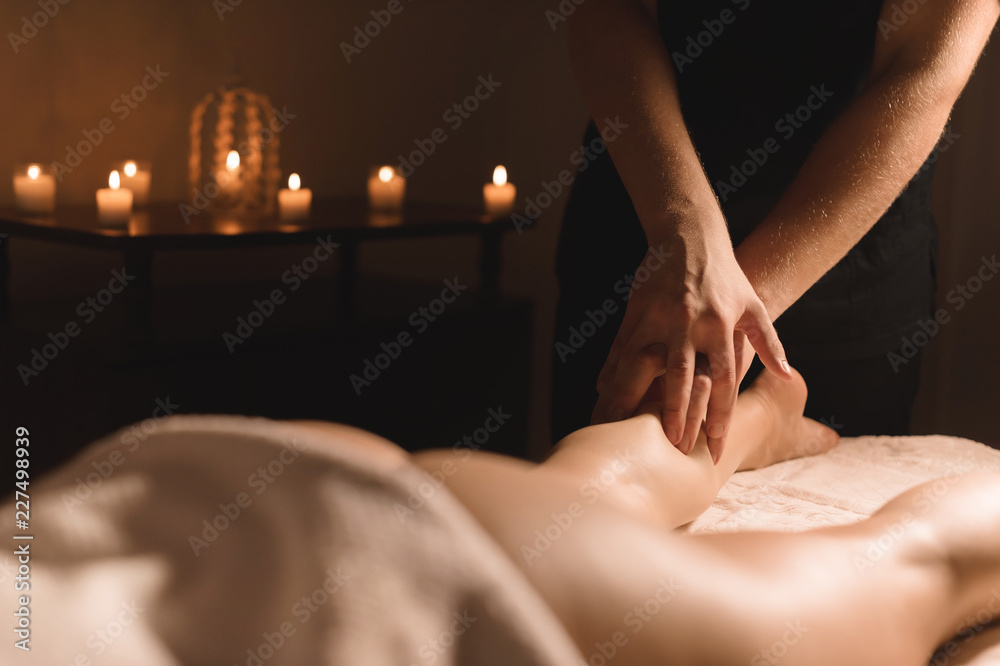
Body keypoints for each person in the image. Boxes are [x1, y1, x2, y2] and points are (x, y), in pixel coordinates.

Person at [551, 0, 1000, 460]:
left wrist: (734, 316)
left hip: (844, 265)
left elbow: (921, 72)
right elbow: (607, 10)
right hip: (644, 231)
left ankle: (769, 418)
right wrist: (684, 230)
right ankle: (768, 420)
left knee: (627, 479)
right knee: (590, 496)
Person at [397, 366, 1000, 664]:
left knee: (916, 561)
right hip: (363, 502)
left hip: (404, 564)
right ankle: (760, 416)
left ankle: (761, 416)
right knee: (580, 498)